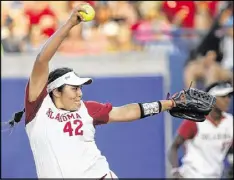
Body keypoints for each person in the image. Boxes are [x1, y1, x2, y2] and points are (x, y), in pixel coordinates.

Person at [5, 3, 178, 178]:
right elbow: (42, 60)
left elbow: (126, 112)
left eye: (80, 88)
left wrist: (168, 104)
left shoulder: (87, 109)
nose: (79, 93)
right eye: (73, 88)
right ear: (56, 91)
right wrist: (70, 24)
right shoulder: (39, 107)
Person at [168, 81, 233, 178]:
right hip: (191, 175)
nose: (228, 100)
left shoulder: (230, 121)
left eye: (229, 96)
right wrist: (175, 171)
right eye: (223, 97)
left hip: (215, 176)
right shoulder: (195, 120)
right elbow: (174, 147)